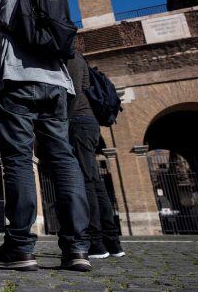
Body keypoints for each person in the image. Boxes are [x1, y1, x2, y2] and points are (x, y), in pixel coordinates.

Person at [0, 0, 91, 272]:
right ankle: (77, 248)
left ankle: (21, 248)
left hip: (15, 81)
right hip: (56, 84)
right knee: (64, 160)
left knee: (18, 161)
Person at [66, 50, 126, 259]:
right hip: (86, 122)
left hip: (78, 121)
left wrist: (61, 119)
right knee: (95, 181)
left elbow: (73, 92)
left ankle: (96, 242)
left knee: (87, 182)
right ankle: (113, 242)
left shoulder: (71, 56)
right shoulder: (78, 56)